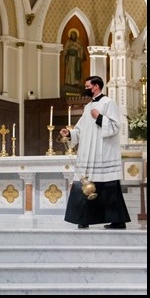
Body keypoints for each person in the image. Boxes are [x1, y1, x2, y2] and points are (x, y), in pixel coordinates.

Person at [60, 76, 131, 229]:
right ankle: (83, 218)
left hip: (102, 153)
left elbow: (115, 126)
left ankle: (118, 221)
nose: (85, 89)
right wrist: (70, 133)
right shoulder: (88, 107)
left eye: (87, 86)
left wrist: (99, 117)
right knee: (84, 184)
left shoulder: (108, 103)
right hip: (87, 153)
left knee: (108, 186)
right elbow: (80, 129)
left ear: (96, 86)